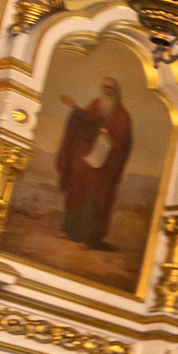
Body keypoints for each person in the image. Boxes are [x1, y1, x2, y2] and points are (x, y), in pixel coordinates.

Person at [56, 77, 134, 250]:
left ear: (116, 92)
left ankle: (86, 236)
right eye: (104, 87)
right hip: (87, 160)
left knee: (94, 197)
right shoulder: (96, 105)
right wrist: (76, 109)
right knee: (76, 191)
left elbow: (124, 142)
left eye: (110, 88)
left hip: (105, 167)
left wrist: (111, 139)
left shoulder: (122, 115)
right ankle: (68, 230)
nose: (106, 91)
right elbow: (85, 122)